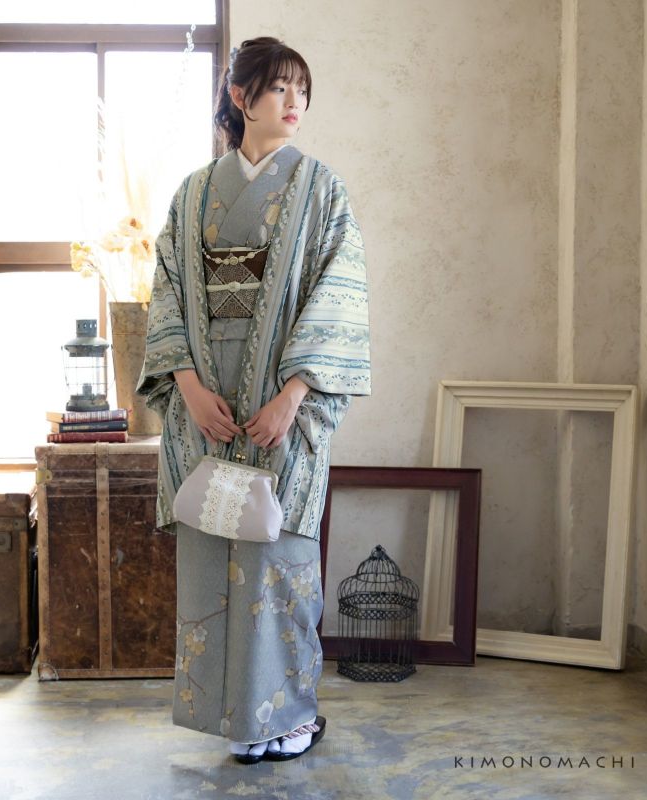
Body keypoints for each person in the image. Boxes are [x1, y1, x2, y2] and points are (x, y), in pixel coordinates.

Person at [135, 36, 371, 764]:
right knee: (213, 552)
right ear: (241, 97)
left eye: (303, 89)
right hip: (207, 403)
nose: (295, 102)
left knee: (281, 557)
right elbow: (169, 293)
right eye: (279, 87)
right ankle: (235, 719)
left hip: (281, 405)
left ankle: (288, 716)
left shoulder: (322, 190)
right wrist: (188, 388)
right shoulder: (192, 194)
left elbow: (339, 297)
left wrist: (293, 396)